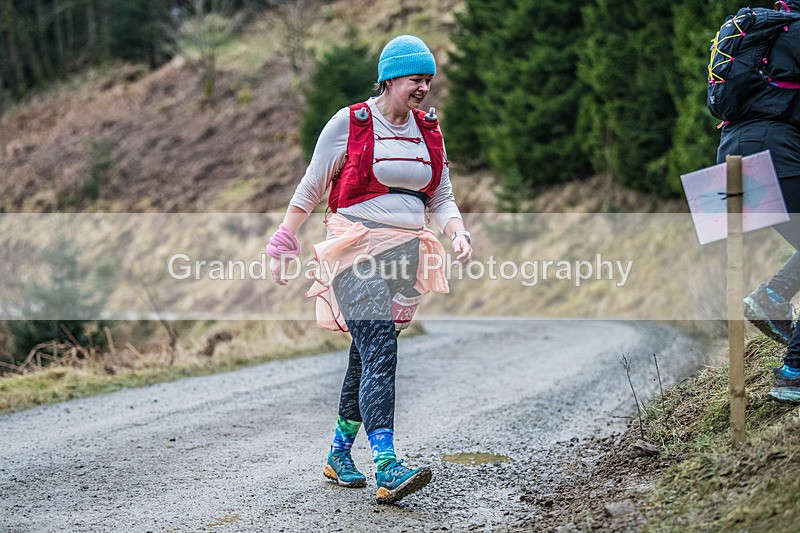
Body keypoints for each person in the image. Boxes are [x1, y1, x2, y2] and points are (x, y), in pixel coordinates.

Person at [266, 34, 473, 503]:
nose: (423, 87)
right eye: (415, 79)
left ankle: (339, 454)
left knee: (366, 354)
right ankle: (387, 466)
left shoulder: (427, 130)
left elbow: (441, 194)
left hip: (407, 253)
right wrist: (285, 236)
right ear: (390, 77)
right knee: (380, 346)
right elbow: (312, 183)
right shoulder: (351, 122)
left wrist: (456, 231)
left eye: (428, 79)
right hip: (353, 250)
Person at [717, 0, 800, 403]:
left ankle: (773, 297)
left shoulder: (770, 32)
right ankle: (795, 371)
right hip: (776, 152)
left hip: (734, 154)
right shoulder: (796, 32)